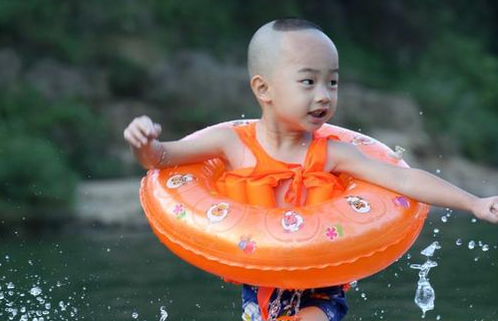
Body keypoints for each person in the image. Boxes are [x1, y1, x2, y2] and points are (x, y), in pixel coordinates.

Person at [123, 18, 498, 321]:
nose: (324, 94)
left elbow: (402, 178)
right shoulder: (232, 144)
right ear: (264, 88)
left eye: (332, 82)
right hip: (262, 282)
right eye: (308, 82)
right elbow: (163, 159)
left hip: (323, 288)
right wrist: (145, 144)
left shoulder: (332, 154)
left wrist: (474, 203)